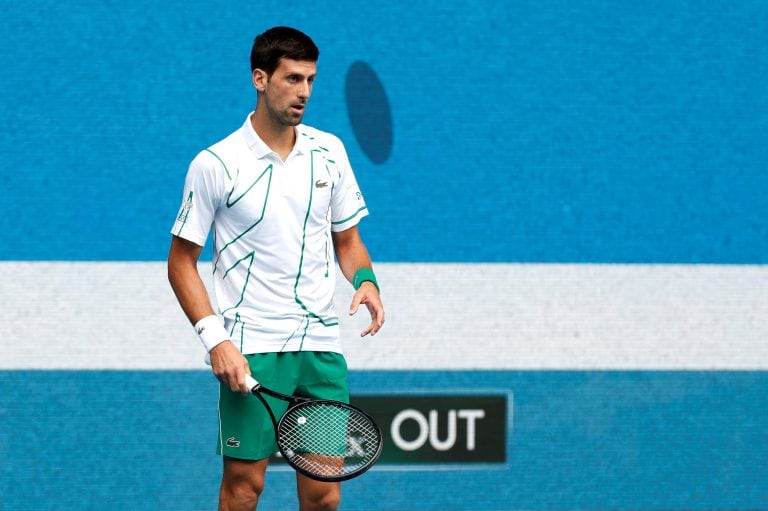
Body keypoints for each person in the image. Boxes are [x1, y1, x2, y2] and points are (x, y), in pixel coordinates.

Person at [167, 26, 385, 511]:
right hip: (252, 346)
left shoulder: (330, 152)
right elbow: (181, 263)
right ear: (260, 79)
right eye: (292, 79)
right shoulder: (216, 164)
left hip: (320, 350)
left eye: (310, 79)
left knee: (325, 494)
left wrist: (365, 280)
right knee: (245, 489)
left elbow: (347, 241)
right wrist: (216, 341)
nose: (304, 92)